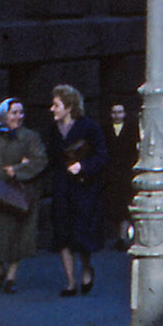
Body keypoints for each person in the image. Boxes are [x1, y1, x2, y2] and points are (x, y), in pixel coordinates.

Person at [0, 98, 48, 292]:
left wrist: (19, 169)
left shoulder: (30, 137)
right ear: (3, 114)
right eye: (14, 113)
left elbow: (40, 160)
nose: (19, 117)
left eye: (21, 113)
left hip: (17, 194)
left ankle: (12, 276)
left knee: (17, 236)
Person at [44, 85, 109, 296]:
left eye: (56, 105)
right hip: (62, 186)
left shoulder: (89, 127)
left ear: (69, 107)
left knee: (82, 234)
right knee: (62, 233)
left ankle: (86, 270)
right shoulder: (53, 130)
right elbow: (49, 158)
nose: (52, 109)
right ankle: (70, 281)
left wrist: (83, 166)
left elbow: (102, 155)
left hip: (84, 188)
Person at [102, 99, 139, 248]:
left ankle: (123, 237)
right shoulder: (105, 129)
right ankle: (120, 235)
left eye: (120, 112)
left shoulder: (132, 128)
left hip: (127, 171)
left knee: (125, 204)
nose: (117, 115)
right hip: (111, 172)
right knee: (114, 204)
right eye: (114, 112)